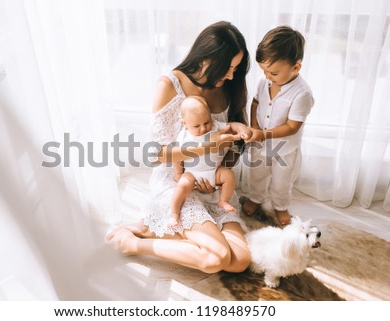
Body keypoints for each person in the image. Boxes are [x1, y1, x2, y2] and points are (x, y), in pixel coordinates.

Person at [107, 21, 253, 274]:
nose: (231, 75)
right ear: (207, 58)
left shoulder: (227, 87)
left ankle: (153, 228)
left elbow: (228, 146)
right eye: (227, 68)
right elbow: (158, 155)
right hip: (177, 182)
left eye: (236, 69)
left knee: (239, 261)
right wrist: (205, 149)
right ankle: (133, 243)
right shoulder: (169, 85)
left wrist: (222, 172)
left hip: (212, 183)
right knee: (215, 259)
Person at [242, 25, 314, 227]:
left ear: (296, 67)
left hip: (285, 148)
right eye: (264, 70)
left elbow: (292, 126)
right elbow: (255, 103)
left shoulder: (302, 94)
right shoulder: (263, 82)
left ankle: (280, 205)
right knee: (257, 173)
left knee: (282, 181)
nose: (267, 76)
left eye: (273, 72)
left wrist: (263, 134)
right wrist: (255, 127)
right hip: (260, 142)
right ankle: (256, 197)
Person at [168, 95, 236, 228]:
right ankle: (174, 213)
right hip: (193, 172)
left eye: (206, 122)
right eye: (197, 126)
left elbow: (231, 127)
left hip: (214, 170)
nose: (203, 128)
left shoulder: (215, 126)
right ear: (185, 124)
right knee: (181, 186)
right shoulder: (184, 136)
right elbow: (177, 156)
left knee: (229, 175)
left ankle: (223, 200)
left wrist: (239, 127)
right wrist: (178, 173)